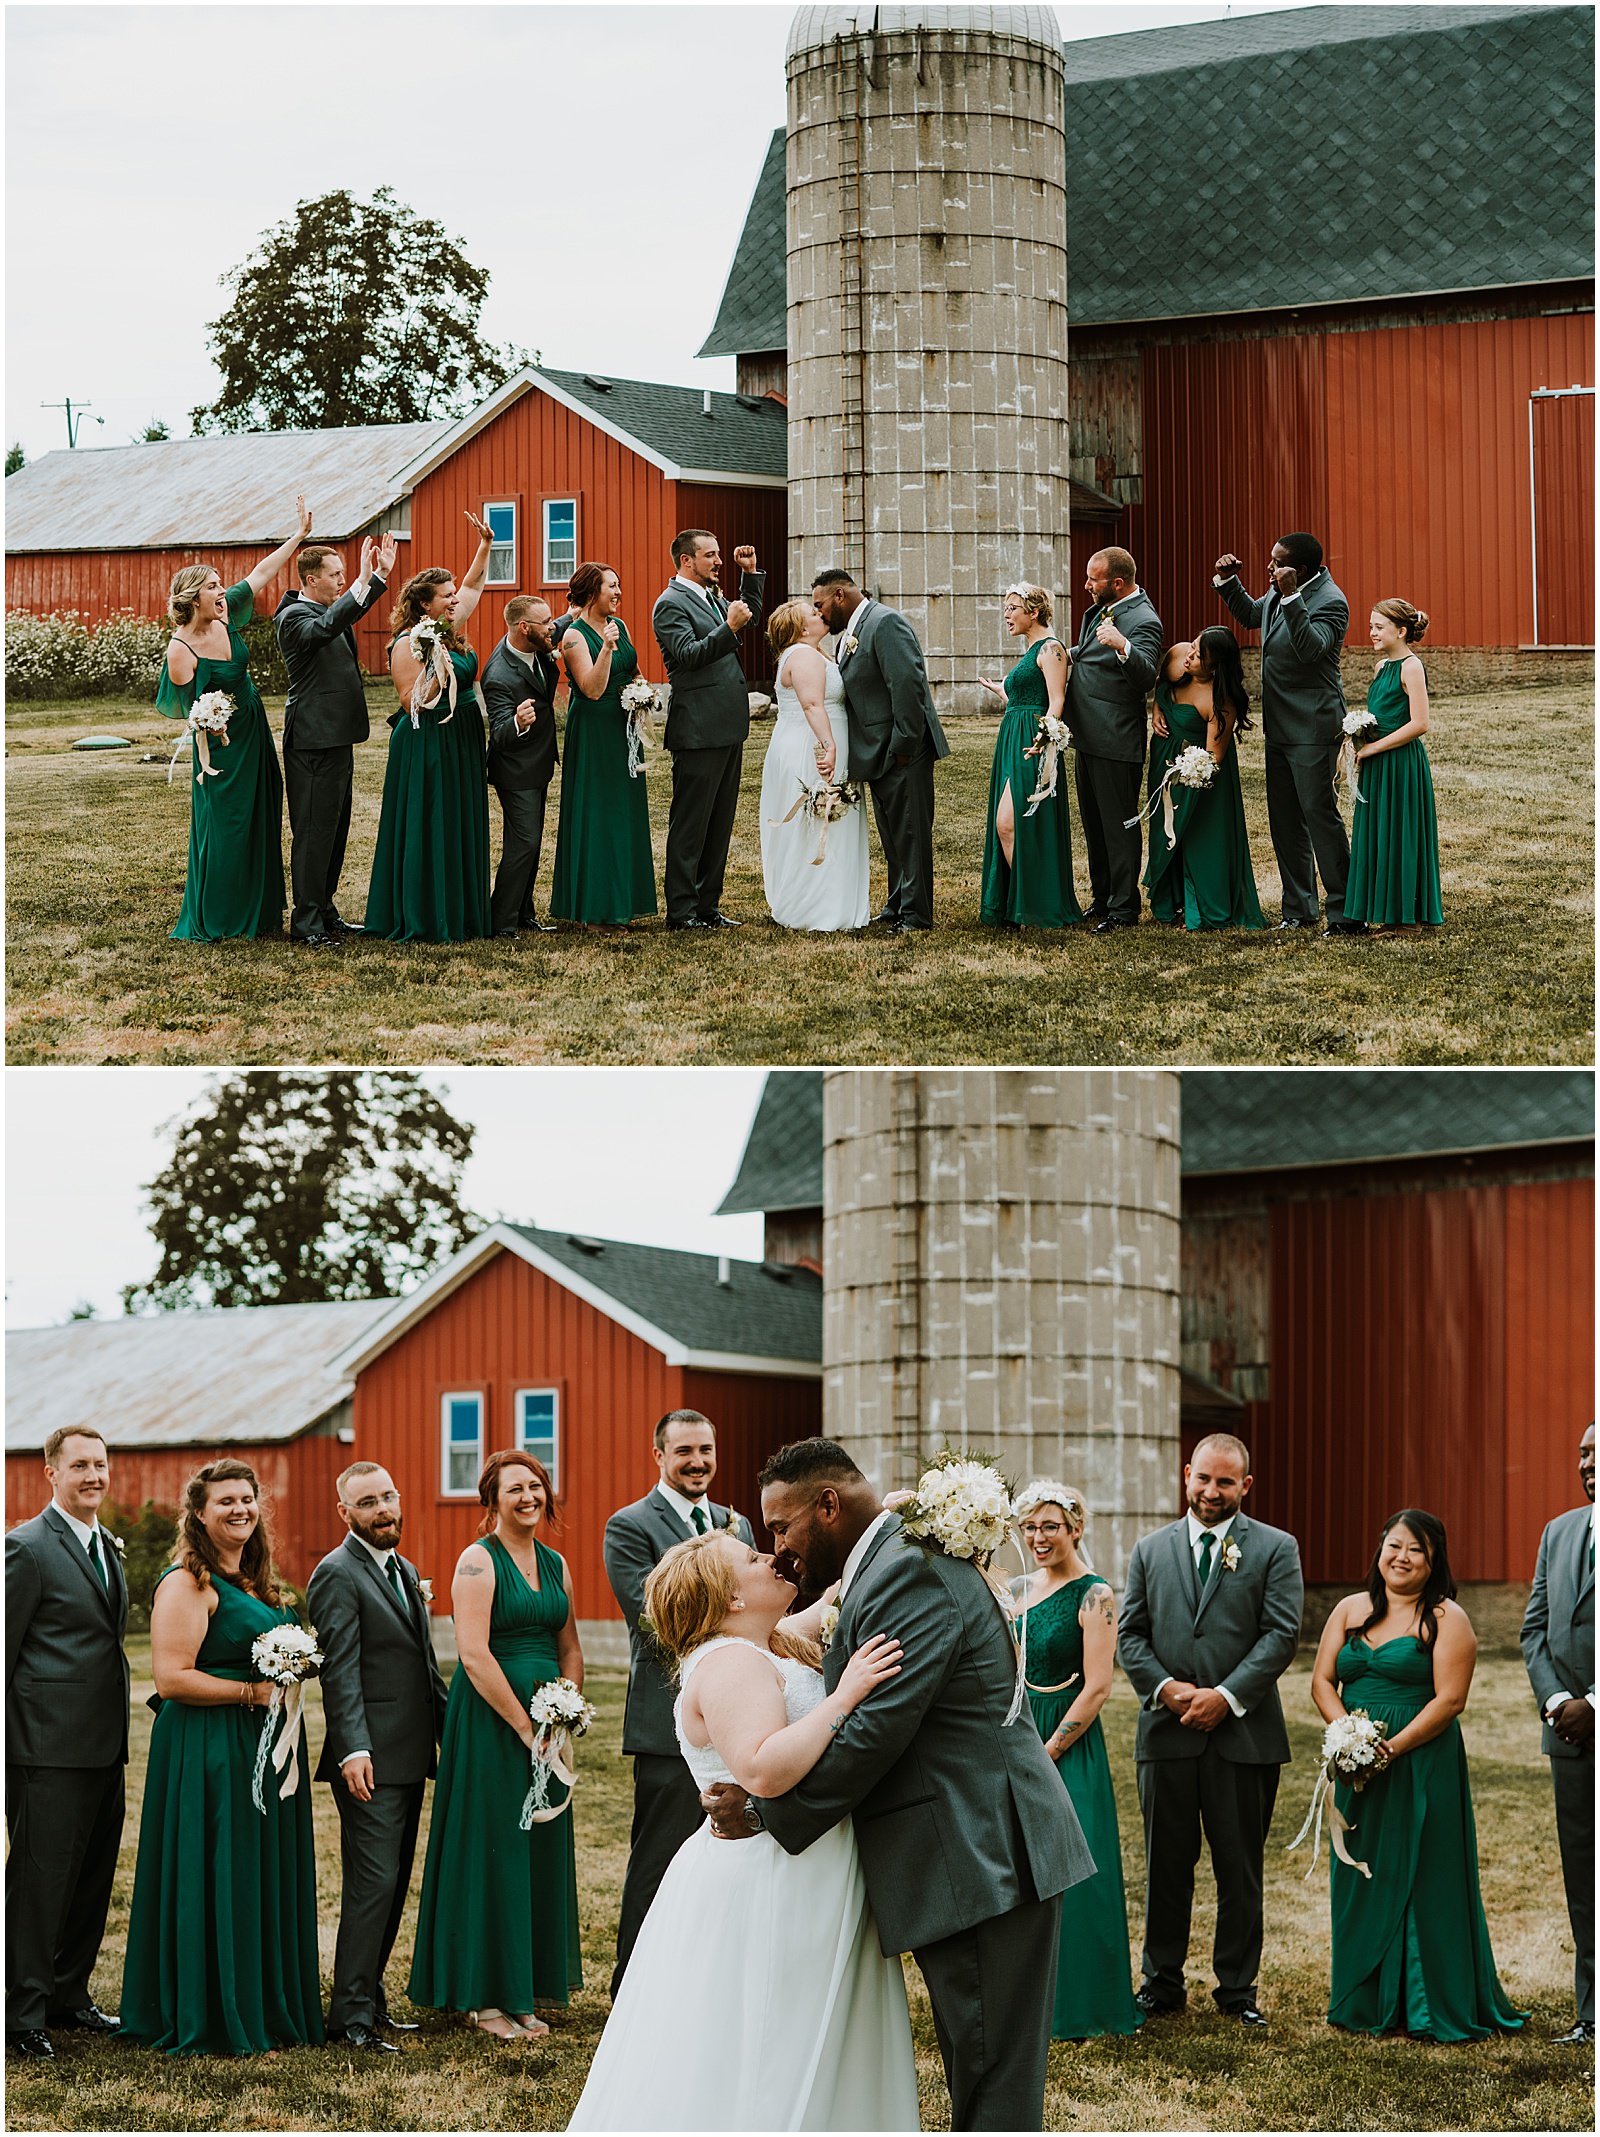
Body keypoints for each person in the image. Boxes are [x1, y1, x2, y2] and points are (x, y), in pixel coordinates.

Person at [705, 1437, 1095, 2131]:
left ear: (828, 1504)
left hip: (983, 1851)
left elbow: (875, 1732)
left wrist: (767, 1811)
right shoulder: (890, 1561)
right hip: (977, 1846)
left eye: (782, 1525)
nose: (780, 1547)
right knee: (981, 2062)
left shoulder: (903, 1570)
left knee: (989, 2074)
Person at [570, 1527, 917, 2130]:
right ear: (730, 1599)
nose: (772, 1557)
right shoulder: (732, 1663)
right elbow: (762, 1767)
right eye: (755, 1559)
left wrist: (888, 1524)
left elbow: (827, 1604)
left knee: (803, 2025)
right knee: (769, 2034)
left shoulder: (765, 1640)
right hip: (770, 1875)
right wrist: (848, 1694)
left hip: (803, 1861)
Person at [118, 1459, 323, 2056]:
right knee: (220, 1867)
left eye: (248, 1499)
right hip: (209, 1748)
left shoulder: (256, 1581)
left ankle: (262, 2000)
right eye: (225, 1501)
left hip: (262, 1744)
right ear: (199, 1514)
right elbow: (173, 1677)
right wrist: (252, 1693)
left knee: (255, 1870)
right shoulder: (186, 1583)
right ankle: (212, 2007)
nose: (240, 1509)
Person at [1310, 1509, 1526, 2041]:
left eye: (1416, 1551)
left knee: (1424, 1874)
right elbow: (1321, 1680)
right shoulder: (1348, 1609)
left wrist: (1390, 1749)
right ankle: (1363, 2000)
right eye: (1394, 1546)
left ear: (1434, 1563)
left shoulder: (1448, 1618)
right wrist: (1349, 1739)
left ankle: (1424, 2006)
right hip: (1355, 1763)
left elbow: (1451, 1699)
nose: (1401, 1558)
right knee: (1363, 1871)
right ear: (1380, 1548)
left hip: (1421, 1761)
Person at [1117, 1431, 1303, 2026]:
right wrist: (1169, 1691)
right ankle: (1161, 1983)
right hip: (1166, 1733)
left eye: (1227, 1482)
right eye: (1204, 1478)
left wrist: (1225, 1696)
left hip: (1242, 1736)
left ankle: (1237, 1990)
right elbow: (1130, 1635)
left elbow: (1281, 1635)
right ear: (1186, 1474)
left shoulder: (1276, 1548)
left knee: (1239, 1867)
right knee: (1165, 1865)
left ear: (1245, 1486)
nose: (1212, 1491)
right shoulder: (1149, 1549)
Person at [408, 1451, 582, 2039]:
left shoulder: (556, 1563)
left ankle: (522, 1990)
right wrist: (525, 1725)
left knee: (536, 1846)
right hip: (492, 1720)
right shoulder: (477, 1563)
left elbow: (571, 1647)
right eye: (515, 1489)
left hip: (545, 1720)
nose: (528, 1497)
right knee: (494, 1847)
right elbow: (474, 1655)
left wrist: (564, 1711)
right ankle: (483, 1999)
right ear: (492, 1500)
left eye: (536, 1486)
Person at [602, 1410, 754, 1996]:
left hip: (737, 1719)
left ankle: (702, 1984)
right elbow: (654, 1617)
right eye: (685, 1450)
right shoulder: (631, 1525)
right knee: (659, 1858)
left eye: (707, 1450)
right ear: (659, 1456)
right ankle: (633, 1989)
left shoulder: (733, 1523)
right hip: (668, 1721)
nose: (698, 1461)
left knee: (725, 1857)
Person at [306, 1462, 448, 2052]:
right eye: (368, 1503)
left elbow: (424, 1665)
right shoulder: (336, 1573)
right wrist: (354, 1748)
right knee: (372, 1883)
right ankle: (348, 2018)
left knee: (392, 1885)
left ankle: (370, 1999)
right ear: (346, 1513)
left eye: (388, 1495)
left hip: (410, 1752)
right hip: (369, 1758)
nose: (384, 1509)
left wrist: (455, 1732)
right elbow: (339, 1671)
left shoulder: (404, 1569)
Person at [5, 1427, 129, 2061]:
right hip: (44, 1750)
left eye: (101, 1464)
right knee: (38, 1885)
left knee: (90, 1879)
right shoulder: (25, 1548)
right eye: (79, 1465)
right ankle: (21, 2014)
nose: (93, 1475)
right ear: (50, 1473)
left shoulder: (107, 1545)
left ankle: (68, 1996)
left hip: (106, 1748)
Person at [1012, 1481, 1141, 2039]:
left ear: (1075, 1529)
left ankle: (1084, 2003)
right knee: (1020, 1867)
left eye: (1051, 1527)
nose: (1039, 1537)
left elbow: (1098, 1688)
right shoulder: (1017, 1588)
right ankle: (1027, 1999)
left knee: (1077, 1866)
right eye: (1031, 1528)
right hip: (1020, 1731)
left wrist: (1049, 1752)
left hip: (1068, 1740)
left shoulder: (1097, 1595)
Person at [159, 499, 311, 943]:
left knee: (261, 813)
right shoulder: (180, 651)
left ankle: (261, 914)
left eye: (221, 584)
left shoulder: (226, 615)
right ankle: (222, 915)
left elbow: (262, 573)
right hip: (220, 745)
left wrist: (298, 536)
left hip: (253, 729)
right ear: (192, 597)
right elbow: (192, 713)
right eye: (212, 586)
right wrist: (211, 727)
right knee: (225, 824)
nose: (222, 592)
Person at [1214, 532, 1360, 934]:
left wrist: (1292, 597)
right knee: (1285, 820)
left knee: (1319, 817)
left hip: (1313, 724)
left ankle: (1346, 912)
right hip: (1279, 725)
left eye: (1277, 562)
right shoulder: (1278, 594)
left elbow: (1313, 649)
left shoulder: (1331, 600)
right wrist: (1230, 583)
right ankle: (1299, 909)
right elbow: (1250, 616)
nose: (1269, 567)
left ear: (1303, 570)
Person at [364, 515, 495, 943]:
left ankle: (461, 909)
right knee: (432, 822)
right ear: (426, 604)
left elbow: (473, 586)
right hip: (428, 742)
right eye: (446, 596)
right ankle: (426, 911)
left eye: (454, 594)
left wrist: (485, 546)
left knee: (458, 823)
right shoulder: (409, 642)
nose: (455, 600)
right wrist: (437, 668)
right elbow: (411, 703)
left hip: (462, 738)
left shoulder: (449, 631)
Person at [274, 530, 397, 947]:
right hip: (311, 739)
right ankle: (306, 922)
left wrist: (377, 576)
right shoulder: (293, 617)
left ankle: (325, 911)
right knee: (312, 832)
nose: (341, 580)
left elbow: (339, 619)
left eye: (345, 574)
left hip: (337, 736)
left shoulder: (327, 611)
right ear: (310, 580)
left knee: (336, 828)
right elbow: (327, 626)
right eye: (335, 574)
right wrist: (366, 580)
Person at [811, 569, 949, 934]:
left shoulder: (885, 623)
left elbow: (907, 685)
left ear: (840, 595)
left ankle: (916, 915)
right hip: (879, 752)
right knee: (892, 834)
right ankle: (897, 904)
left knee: (911, 833)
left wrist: (903, 747)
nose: (820, 613)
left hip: (903, 750)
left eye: (820, 605)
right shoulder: (854, 631)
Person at [1520, 1422, 1595, 2045]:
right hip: (1568, 1736)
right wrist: (1560, 1699)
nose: (1588, 1463)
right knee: (1583, 1876)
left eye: (1599, 1453)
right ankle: (1591, 2014)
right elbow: (1534, 1629)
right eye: (1582, 1453)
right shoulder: (1558, 1531)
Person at [652, 530, 766, 931]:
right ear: (686, 560)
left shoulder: (711, 597)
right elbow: (688, 655)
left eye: (719, 555)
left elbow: (746, 620)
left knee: (719, 823)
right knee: (691, 824)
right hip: (697, 727)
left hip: (727, 725)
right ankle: (681, 912)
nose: (719, 561)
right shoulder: (669, 604)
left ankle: (707, 907)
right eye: (711, 556)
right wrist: (728, 628)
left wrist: (750, 575)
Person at [549, 564, 658, 928]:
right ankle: (595, 908)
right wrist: (607, 649)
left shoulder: (621, 625)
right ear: (592, 592)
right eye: (612, 586)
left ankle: (623, 900)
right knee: (598, 814)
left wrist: (643, 694)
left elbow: (634, 669)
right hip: (594, 733)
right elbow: (592, 689)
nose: (618, 592)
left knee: (622, 814)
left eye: (619, 585)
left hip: (623, 727)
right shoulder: (574, 637)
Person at [1066, 546, 1163, 933]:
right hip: (1088, 735)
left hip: (1115, 738)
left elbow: (1146, 677)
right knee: (1093, 823)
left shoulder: (1143, 620)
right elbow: (1089, 654)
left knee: (1118, 826)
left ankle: (1124, 909)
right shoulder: (1103, 609)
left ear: (1117, 583)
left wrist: (1124, 646)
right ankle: (1102, 898)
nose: (1087, 585)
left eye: (1094, 579)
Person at [758, 598, 870, 931]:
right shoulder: (803, 655)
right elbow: (811, 705)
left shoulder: (815, 652)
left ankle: (835, 901)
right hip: (810, 744)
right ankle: (814, 908)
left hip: (816, 739)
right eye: (812, 612)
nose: (820, 613)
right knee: (818, 820)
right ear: (801, 628)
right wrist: (829, 745)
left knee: (831, 820)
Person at [977, 583, 1084, 929]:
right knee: (1009, 823)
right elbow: (1026, 695)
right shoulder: (1031, 649)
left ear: (1033, 612)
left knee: (1010, 822)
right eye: (1006, 609)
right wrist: (1003, 690)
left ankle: (1036, 905)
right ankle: (1020, 905)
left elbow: (1056, 700)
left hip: (1033, 741)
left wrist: (1045, 737)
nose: (1006, 615)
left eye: (1012, 608)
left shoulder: (1052, 649)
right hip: (1013, 736)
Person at [1145, 628, 1265, 930]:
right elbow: (1161, 683)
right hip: (1163, 763)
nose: (1189, 655)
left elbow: (1214, 758)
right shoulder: (1177, 656)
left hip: (1199, 778)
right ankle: (1171, 902)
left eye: (1198, 656)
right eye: (1193, 646)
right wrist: (1157, 708)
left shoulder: (1220, 699)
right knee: (1165, 833)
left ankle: (1202, 906)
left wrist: (1189, 773)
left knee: (1198, 837)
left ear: (1214, 667)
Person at [1344, 599, 1443, 933]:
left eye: (1378, 627)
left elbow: (1420, 723)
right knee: (1381, 833)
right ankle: (1385, 908)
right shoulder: (1380, 667)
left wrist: (1373, 748)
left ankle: (1407, 916)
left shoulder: (1411, 667)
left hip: (1400, 763)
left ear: (1401, 631)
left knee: (1400, 831)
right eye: (1371, 626)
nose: (1371, 632)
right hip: (1377, 761)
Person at [480, 595, 561, 937]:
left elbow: (565, 623)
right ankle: (502, 921)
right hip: (515, 770)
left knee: (533, 842)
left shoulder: (538, 642)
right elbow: (498, 734)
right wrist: (518, 721)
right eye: (546, 622)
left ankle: (524, 912)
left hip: (539, 763)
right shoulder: (498, 674)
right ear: (524, 627)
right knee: (523, 843)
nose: (553, 627)